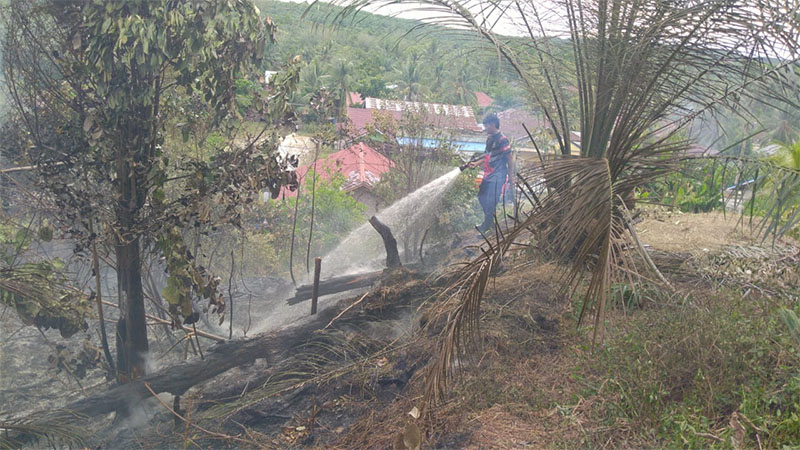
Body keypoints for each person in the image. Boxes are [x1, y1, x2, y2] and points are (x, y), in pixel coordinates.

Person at [469, 113, 515, 233]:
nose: (485, 128)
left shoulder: (502, 139)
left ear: (493, 124)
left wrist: (511, 176)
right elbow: (486, 155)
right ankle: (490, 223)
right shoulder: (489, 139)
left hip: (498, 175)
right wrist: (477, 163)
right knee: (481, 197)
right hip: (488, 174)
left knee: (491, 201)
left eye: (487, 126)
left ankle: (487, 226)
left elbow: (510, 158)